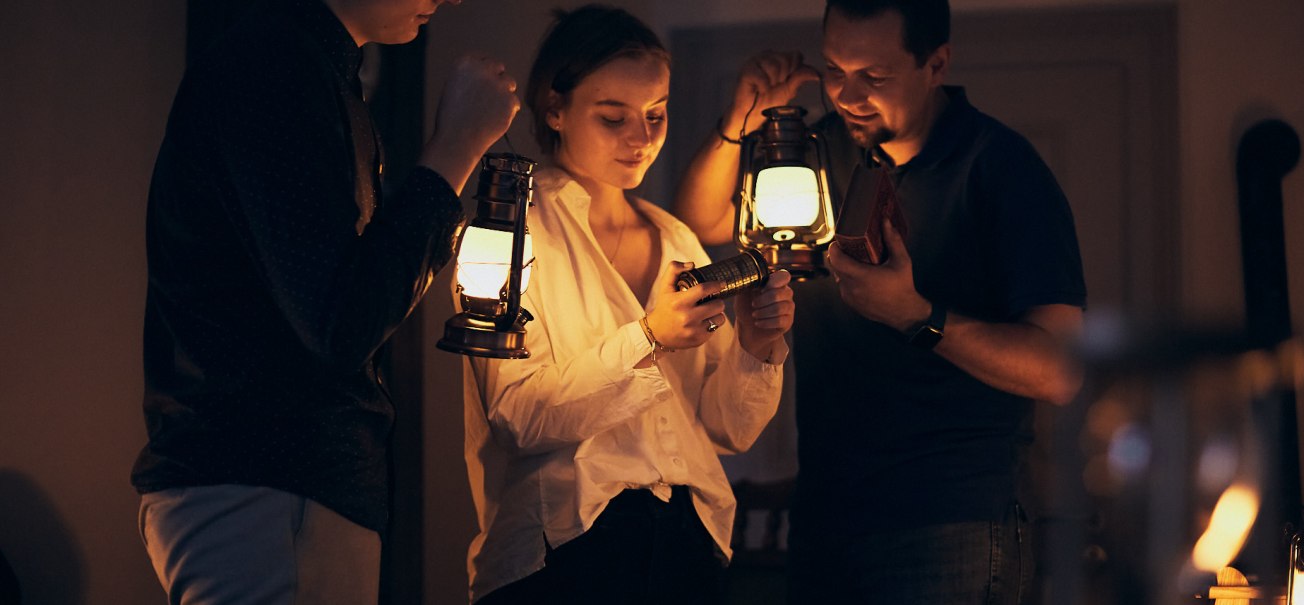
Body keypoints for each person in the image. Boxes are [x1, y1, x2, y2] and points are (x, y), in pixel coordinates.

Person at [674, 0, 1088, 603]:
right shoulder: (815, 150)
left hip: (955, 518)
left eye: (875, 77)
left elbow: (1062, 370)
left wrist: (918, 316)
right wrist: (739, 122)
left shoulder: (1000, 167)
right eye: (835, 70)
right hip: (823, 513)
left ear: (936, 63)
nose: (848, 95)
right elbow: (701, 219)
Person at [132, 0, 519, 602]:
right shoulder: (274, 65)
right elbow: (343, 318)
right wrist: (456, 148)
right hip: (269, 482)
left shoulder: (309, 68)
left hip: (274, 488)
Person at [460, 5, 795, 604]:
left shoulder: (677, 242)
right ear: (556, 110)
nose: (640, 139)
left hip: (687, 540)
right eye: (613, 117)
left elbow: (727, 428)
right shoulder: (509, 235)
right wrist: (649, 337)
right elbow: (519, 416)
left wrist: (758, 344)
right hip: (562, 549)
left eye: (656, 115)